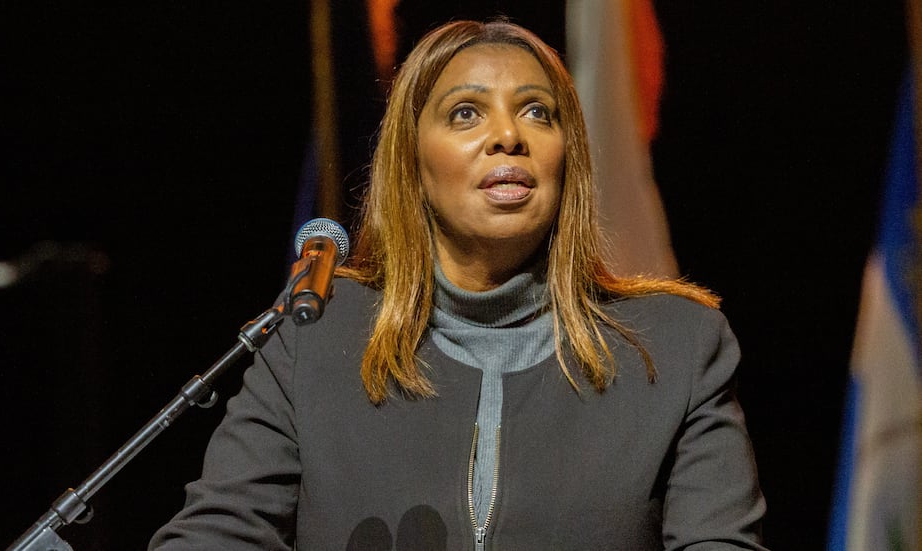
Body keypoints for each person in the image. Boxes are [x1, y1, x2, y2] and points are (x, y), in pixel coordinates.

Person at [149, 18, 767, 550]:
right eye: (466, 112)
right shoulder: (312, 339)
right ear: (412, 163)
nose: (509, 135)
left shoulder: (677, 347)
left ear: (567, 157)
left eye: (537, 112)